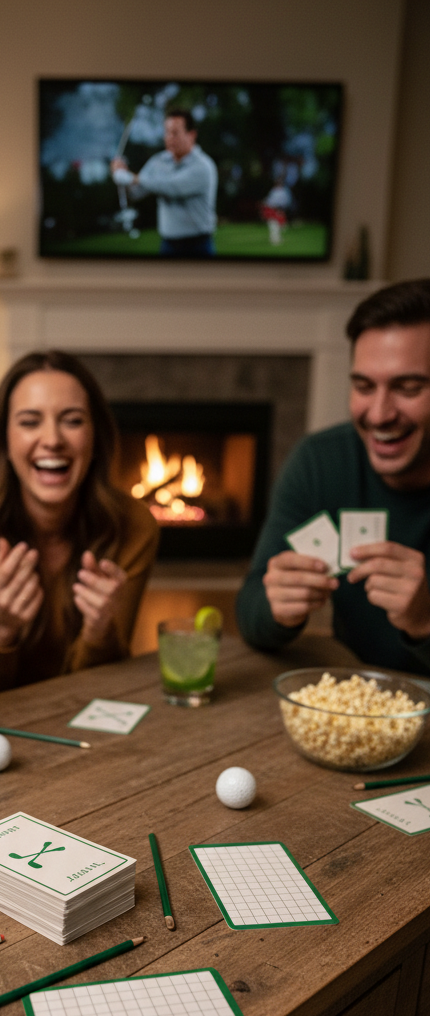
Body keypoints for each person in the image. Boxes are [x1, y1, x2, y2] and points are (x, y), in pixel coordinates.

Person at [0, 351, 159, 702]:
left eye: (73, 420)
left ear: (95, 439)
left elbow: (102, 691)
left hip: (76, 708)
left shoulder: (135, 525)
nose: (52, 439)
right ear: (4, 440)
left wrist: (99, 633)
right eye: (30, 421)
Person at [236, 278, 430, 675]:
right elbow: (251, 610)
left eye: (408, 387)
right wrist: (277, 607)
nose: (378, 414)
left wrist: (426, 623)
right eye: (363, 386)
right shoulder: (320, 461)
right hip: (356, 703)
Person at [111, 107, 218, 258]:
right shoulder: (158, 162)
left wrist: (130, 177)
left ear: (192, 135)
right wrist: (120, 174)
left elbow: (171, 187)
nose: (169, 138)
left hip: (198, 245)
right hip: (168, 245)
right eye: (167, 132)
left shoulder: (203, 166)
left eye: (175, 133)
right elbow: (135, 192)